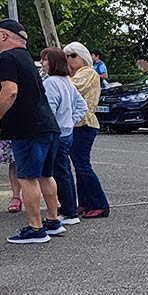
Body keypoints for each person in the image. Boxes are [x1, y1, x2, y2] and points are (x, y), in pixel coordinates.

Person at [0, 19, 65, 244]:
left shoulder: (6, 58)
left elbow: (9, 92)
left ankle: (35, 228)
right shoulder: (27, 59)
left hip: (27, 128)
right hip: (48, 125)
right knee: (46, 174)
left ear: (3, 36)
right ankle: (53, 221)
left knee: (27, 177)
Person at [41, 47, 87, 227]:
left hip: (55, 133)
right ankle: (68, 208)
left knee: (57, 173)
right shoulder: (67, 81)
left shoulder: (51, 82)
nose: (42, 63)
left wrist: (54, 125)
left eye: (45, 60)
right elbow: (82, 106)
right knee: (64, 172)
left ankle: (67, 211)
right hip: (67, 132)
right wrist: (70, 121)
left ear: (52, 62)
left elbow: (48, 110)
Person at [63, 42, 108, 218]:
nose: (69, 59)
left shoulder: (88, 73)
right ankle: (85, 203)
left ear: (83, 57)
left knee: (82, 165)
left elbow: (71, 89)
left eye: (73, 55)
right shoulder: (74, 74)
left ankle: (99, 204)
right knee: (79, 165)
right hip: (76, 124)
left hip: (85, 124)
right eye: (66, 56)